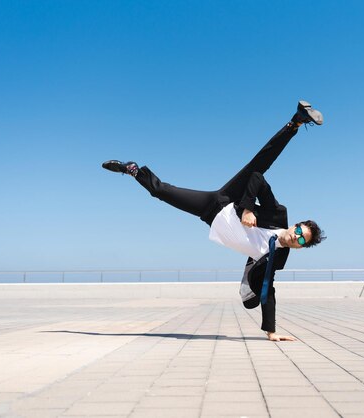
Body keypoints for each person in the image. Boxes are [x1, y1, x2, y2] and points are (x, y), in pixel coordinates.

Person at [102, 100, 326, 341]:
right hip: (227, 201)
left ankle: (134, 168)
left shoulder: (279, 257)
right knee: (260, 163)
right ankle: (296, 122)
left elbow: (268, 289)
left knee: (162, 194)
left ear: (301, 246)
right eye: (300, 231)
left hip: (210, 215)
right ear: (295, 225)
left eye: (302, 240)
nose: (297, 236)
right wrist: (248, 209)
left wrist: (271, 332)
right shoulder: (278, 214)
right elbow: (257, 179)